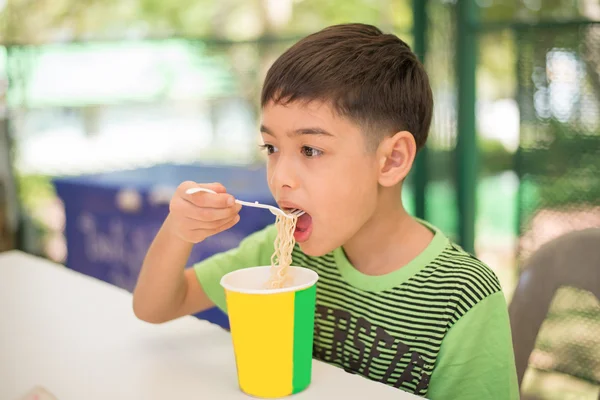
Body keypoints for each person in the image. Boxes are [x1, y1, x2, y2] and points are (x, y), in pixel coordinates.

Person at [133, 23, 519, 399]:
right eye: (271, 148)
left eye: (310, 150)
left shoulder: (463, 296)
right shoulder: (282, 252)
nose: (280, 177)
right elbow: (155, 306)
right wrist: (180, 229)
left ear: (391, 160)